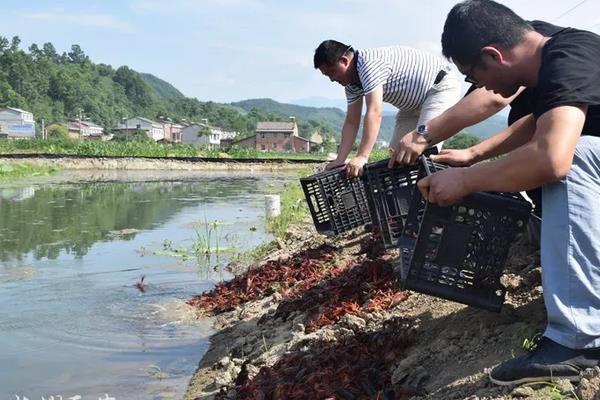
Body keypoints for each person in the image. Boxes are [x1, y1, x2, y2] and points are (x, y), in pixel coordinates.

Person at [422, 0, 600, 386]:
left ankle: (579, 340)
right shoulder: (547, 65)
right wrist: (474, 154)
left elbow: (552, 157)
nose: (482, 87)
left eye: (476, 75)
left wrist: (467, 181)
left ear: (493, 55)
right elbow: (540, 121)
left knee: (574, 155)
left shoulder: (570, 54)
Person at [313, 40, 461, 177]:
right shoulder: (352, 85)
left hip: (438, 89)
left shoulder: (368, 64)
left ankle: (446, 190)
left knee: (421, 151)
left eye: (331, 72)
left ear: (344, 61)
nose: (332, 79)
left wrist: (362, 157)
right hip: (411, 107)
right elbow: (352, 121)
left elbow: (374, 112)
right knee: (396, 159)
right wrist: (340, 159)